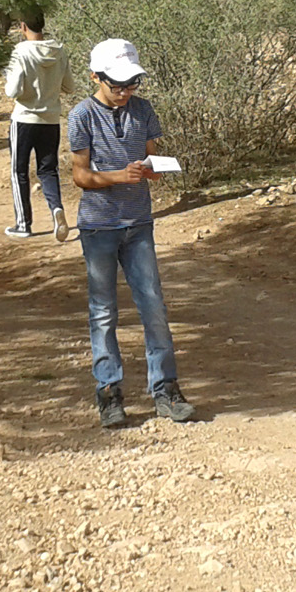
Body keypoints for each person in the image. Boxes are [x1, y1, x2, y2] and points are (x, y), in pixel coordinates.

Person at [66, 38, 196, 428]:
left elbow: (150, 157)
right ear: (95, 77)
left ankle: (166, 389)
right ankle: (109, 392)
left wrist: (152, 170)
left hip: (139, 223)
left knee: (153, 305)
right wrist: (117, 177)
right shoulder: (81, 116)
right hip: (99, 225)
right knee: (103, 312)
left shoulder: (143, 110)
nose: (125, 93)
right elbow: (80, 175)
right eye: (116, 85)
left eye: (131, 84)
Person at [3, 11, 67, 240]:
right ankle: (56, 209)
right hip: (51, 119)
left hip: (24, 119)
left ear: (22, 26)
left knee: (19, 171)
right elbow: (69, 85)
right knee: (48, 170)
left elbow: (12, 91)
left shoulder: (20, 51)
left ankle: (23, 224)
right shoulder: (59, 50)